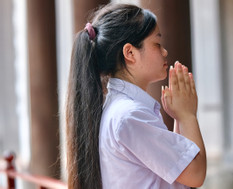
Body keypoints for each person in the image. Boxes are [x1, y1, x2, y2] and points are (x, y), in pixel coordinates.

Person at [66, 3, 206, 189]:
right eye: (157, 44)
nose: (165, 52)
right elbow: (195, 174)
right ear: (130, 53)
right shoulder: (130, 116)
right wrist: (188, 115)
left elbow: (174, 171)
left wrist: (179, 118)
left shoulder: (122, 111)